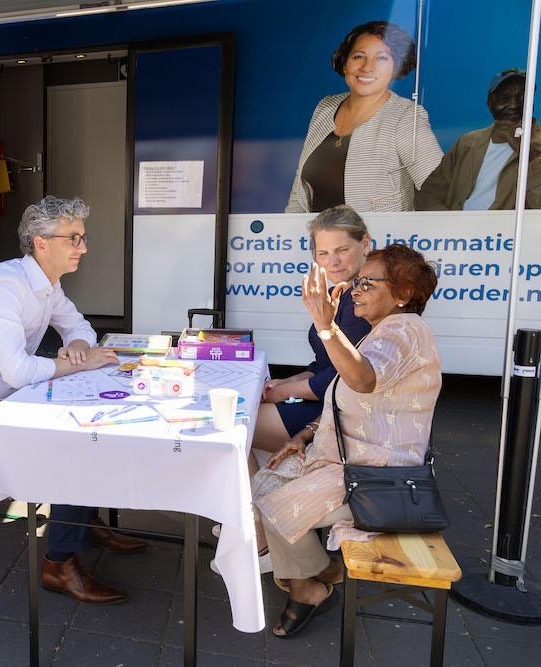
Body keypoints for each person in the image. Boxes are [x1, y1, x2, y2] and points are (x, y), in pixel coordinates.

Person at [0, 195, 146, 604]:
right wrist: (76, 365)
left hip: (7, 402)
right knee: (71, 445)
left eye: (83, 238)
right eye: (74, 239)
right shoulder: (5, 286)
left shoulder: (45, 284)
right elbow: (17, 371)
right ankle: (58, 564)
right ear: (41, 243)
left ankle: (84, 525)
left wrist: (80, 348)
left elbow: (79, 326)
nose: (83, 248)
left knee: (93, 426)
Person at [252, 244, 441, 638]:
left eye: (369, 283)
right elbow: (347, 399)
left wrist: (326, 326)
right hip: (350, 463)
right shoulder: (381, 332)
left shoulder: (405, 329)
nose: (357, 289)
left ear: (404, 294)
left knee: (271, 500)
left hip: (378, 480)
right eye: (358, 281)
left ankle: (308, 588)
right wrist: (304, 436)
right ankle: (321, 569)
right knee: (267, 479)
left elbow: (363, 379)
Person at [222, 206, 372, 574]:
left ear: (365, 244)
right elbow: (322, 363)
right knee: (245, 432)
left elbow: (342, 379)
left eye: (342, 250)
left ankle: (258, 539)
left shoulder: (365, 299)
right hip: (327, 404)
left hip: (341, 415)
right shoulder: (339, 290)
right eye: (323, 253)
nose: (333, 260)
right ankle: (249, 516)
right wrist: (286, 383)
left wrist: (285, 392)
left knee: (234, 432)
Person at [286, 21, 443, 213]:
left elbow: (439, 190)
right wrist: (289, 235)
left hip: (378, 240)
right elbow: (299, 193)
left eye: (382, 58)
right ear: (345, 64)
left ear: (396, 67)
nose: (367, 67)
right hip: (319, 239)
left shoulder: (406, 116)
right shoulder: (325, 107)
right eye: (359, 56)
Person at [417, 68, 541, 210]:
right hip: (459, 229)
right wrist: (450, 227)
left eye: (522, 97)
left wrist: (526, 153)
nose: (514, 105)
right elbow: (428, 195)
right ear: (490, 104)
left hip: (505, 231)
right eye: (504, 98)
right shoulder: (468, 142)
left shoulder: (537, 146)